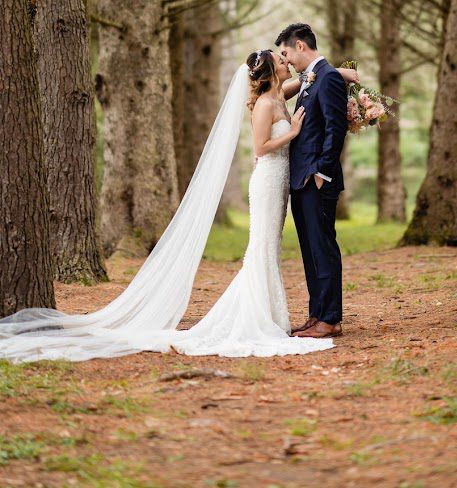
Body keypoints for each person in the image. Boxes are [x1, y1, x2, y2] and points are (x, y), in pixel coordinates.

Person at [0, 47, 357, 362]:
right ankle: (256, 314)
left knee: (270, 247)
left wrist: (341, 74)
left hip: (282, 180)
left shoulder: (280, 95)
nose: (287, 62)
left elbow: (313, 77)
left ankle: (274, 314)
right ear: (271, 71)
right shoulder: (266, 103)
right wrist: (293, 132)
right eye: (281, 60)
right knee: (260, 246)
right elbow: (262, 146)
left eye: (287, 56)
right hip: (267, 180)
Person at [275, 24, 349, 340]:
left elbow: (336, 129)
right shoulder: (311, 77)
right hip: (301, 179)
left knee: (323, 249)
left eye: (286, 53)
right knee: (310, 251)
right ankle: (316, 314)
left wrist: (322, 173)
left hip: (317, 179)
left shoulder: (328, 77)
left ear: (301, 46)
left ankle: (331, 318)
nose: (287, 60)